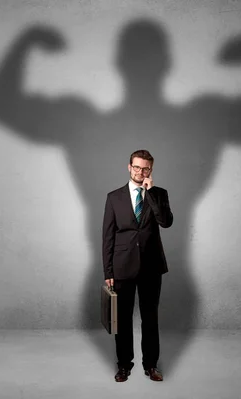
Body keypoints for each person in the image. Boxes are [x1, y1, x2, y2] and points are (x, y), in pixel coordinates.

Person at [102, 149, 173, 382]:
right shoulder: (114, 197)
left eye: (146, 168)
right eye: (137, 167)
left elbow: (166, 222)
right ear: (129, 166)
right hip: (122, 267)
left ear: (151, 170)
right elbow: (108, 237)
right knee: (121, 319)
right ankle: (124, 365)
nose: (140, 172)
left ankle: (151, 365)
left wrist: (150, 193)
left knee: (150, 318)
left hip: (151, 267)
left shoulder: (159, 193)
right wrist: (108, 272)